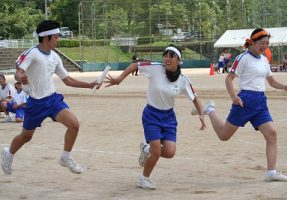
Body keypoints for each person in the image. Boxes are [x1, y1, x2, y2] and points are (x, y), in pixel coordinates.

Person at [192, 28, 287, 182]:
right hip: (244, 101)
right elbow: (229, 79)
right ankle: (210, 109)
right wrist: (233, 96)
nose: (265, 46)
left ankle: (271, 172)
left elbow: (271, 81)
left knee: (272, 134)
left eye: (267, 43)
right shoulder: (243, 58)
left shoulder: (264, 59)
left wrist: (285, 87)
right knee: (224, 136)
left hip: (260, 102)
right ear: (253, 42)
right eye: (262, 43)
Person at [1, 20, 101, 175]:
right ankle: (9, 154)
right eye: (56, 37)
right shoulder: (32, 53)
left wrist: (89, 85)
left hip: (53, 100)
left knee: (74, 124)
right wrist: (21, 77)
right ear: (46, 38)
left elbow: (67, 80)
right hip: (35, 103)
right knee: (26, 136)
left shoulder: (55, 57)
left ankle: (65, 157)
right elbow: (19, 71)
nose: (58, 39)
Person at [105, 45, 206, 189]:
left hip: (169, 118)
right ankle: (144, 179)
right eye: (165, 55)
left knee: (170, 152)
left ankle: (146, 150)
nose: (167, 59)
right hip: (151, 115)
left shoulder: (183, 80)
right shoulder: (156, 68)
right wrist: (119, 78)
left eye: (171, 56)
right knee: (157, 151)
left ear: (179, 60)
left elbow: (194, 98)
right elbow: (136, 64)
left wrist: (201, 115)